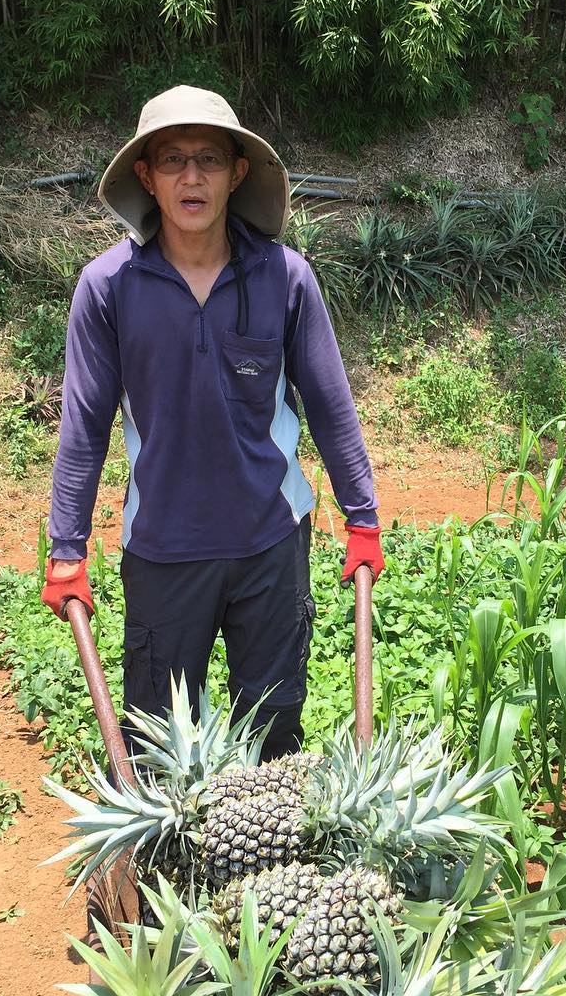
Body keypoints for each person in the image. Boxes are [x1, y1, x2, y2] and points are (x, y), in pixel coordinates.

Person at [40, 85, 384, 760]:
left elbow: (329, 403)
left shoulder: (285, 278)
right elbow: (83, 427)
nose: (191, 178)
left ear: (238, 172)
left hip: (271, 545)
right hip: (164, 550)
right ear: (146, 175)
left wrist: (362, 516)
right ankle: (177, 864)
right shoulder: (108, 287)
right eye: (171, 160)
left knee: (276, 726)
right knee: (162, 743)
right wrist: (66, 548)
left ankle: (268, 863)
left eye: (208, 160)